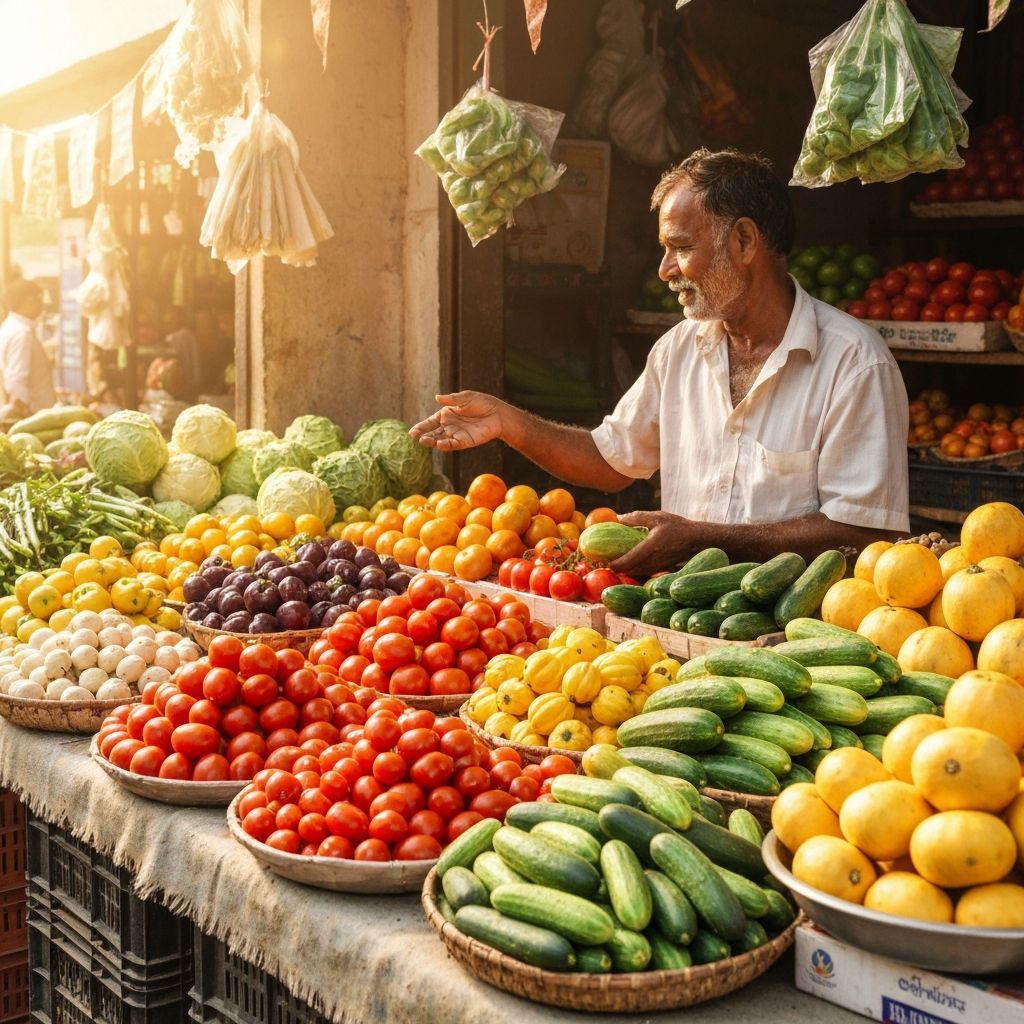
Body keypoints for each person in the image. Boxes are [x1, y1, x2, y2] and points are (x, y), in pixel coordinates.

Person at [411, 148, 910, 578]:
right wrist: (508, 422)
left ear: (744, 241)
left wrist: (701, 539)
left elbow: (864, 531)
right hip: (677, 625)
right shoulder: (678, 350)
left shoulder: (854, 363)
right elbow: (610, 461)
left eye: (681, 248)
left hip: (796, 649)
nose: (665, 270)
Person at [0, 279, 56, 422]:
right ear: (29, 300)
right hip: (34, 416)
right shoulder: (21, 334)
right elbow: (15, 379)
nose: (42, 304)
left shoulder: (10, 326)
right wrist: (25, 413)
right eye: (39, 298)